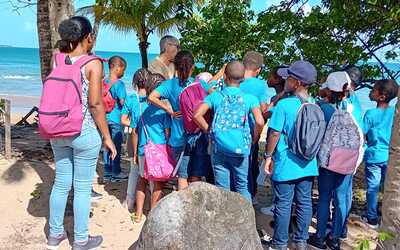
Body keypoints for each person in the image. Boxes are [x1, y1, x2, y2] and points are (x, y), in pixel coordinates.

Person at [46, 16, 116, 250]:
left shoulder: (57, 60)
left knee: (61, 183)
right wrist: (107, 137)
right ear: (88, 37)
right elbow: (95, 104)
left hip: (57, 130)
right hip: (83, 131)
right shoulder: (93, 63)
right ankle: (81, 239)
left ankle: (55, 235)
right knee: (83, 186)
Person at [263, 61, 319, 250]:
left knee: (283, 203)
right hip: (309, 164)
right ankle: (300, 241)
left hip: (286, 164)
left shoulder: (285, 105)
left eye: (288, 78)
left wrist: (268, 156)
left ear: (296, 83)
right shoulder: (315, 104)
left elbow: (274, 133)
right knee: (304, 202)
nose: (285, 80)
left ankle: (279, 243)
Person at [194, 61, 264, 201]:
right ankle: (246, 220)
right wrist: (254, 138)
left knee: (221, 188)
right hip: (241, 147)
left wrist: (209, 130)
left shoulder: (216, 96)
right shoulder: (250, 99)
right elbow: (260, 121)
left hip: (219, 146)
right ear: (243, 78)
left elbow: (197, 115)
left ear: (225, 77)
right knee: (242, 186)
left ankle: (224, 221)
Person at [307, 71, 358, 250]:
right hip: (349, 159)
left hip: (328, 159)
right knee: (342, 198)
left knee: (324, 198)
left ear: (329, 89)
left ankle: (319, 236)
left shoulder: (323, 108)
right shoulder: (354, 105)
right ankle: (335, 238)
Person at [148, 50, 195, 190]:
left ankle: (184, 207)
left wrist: (169, 110)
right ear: (192, 67)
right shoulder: (195, 85)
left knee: (182, 175)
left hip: (177, 136)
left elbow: (151, 97)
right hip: (196, 135)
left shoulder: (169, 85)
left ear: (175, 67)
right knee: (192, 175)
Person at [131, 73, 172, 224]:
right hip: (158, 151)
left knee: (142, 180)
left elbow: (135, 131)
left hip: (143, 150)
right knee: (158, 183)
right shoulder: (164, 111)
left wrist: (135, 152)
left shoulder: (140, 108)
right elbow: (167, 133)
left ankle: (138, 213)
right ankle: (153, 214)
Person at [362, 79, 398, 228]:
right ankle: (387, 214)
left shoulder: (370, 114)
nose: (371, 91)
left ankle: (371, 217)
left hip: (374, 155)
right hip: (389, 155)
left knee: (372, 187)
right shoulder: (393, 112)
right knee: (388, 187)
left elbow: (361, 133)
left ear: (381, 96)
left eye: (374, 90)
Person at [121, 68, 151, 210]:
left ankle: (129, 201)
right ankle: (151, 203)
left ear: (135, 83)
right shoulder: (153, 100)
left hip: (134, 140)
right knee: (151, 172)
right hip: (151, 140)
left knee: (134, 170)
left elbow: (123, 119)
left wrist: (135, 123)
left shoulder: (132, 98)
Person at [259, 65, 288, 216]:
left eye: (271, 76)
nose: (267, 78)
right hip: (281, 144)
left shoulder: (280, 100)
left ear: (278, 80)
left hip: (279, 145)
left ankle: (276, 206)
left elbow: (265, 114)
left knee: (277, 177)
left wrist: (277, 98)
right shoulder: (282, 98)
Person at [240, 51, 268, 201]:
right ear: (258, 70)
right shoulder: (260, 84)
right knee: (249, 166)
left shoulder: (233, 78)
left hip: (230, 129)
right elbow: (263, 110)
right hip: (250, 130)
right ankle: (249, 197)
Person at [102, 56, 128, 182]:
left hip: (104, 118)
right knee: (116, 146)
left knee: (107, 145)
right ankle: (116, 172)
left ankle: (107, 172)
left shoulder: (104, 81)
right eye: (123, 69)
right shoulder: (119, 84)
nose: (124, 72)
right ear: (117, 68)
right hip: (116, 119)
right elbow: (123, 102)